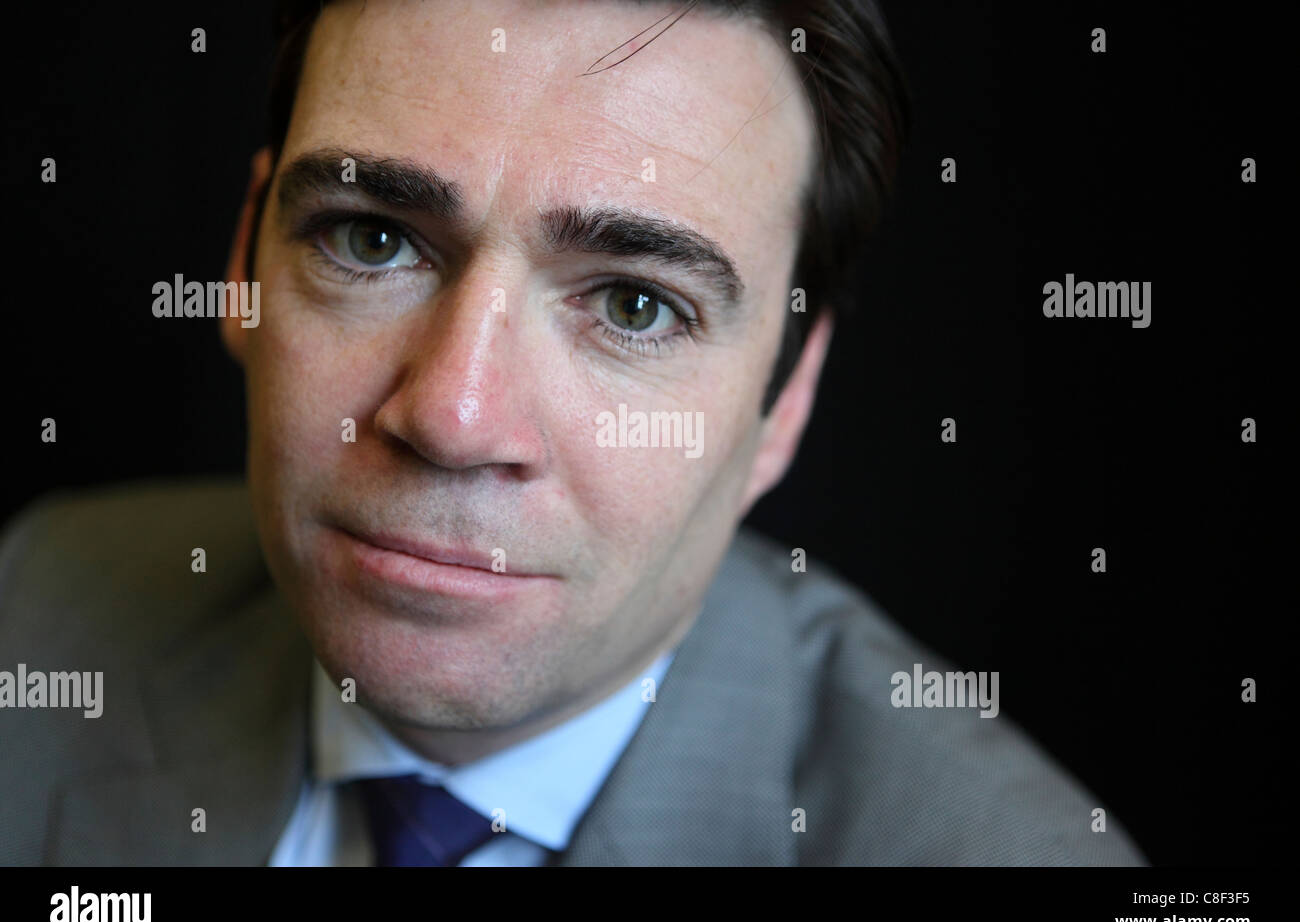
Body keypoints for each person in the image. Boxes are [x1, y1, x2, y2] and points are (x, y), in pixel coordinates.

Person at [0, 0, 1144, 865]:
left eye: (635, 303)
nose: (450, 416)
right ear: (247, 262)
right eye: (373, 240)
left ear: (785, 397)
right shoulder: (38, 607)